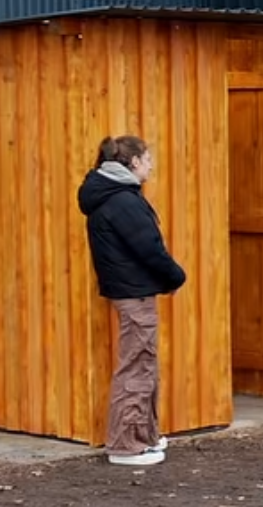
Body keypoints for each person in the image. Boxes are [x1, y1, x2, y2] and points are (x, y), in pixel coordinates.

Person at [78, 136, 187, 467]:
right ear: (133, 162)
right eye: (148, 159)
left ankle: (146, 436)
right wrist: (175, 276)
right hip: (134, 293)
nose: (151, 165)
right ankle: (126, 446)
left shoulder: (111, 194)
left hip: (131, 291)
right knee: (137, 368)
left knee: (144, 365)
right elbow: (149, 248)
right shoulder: (122, 201)